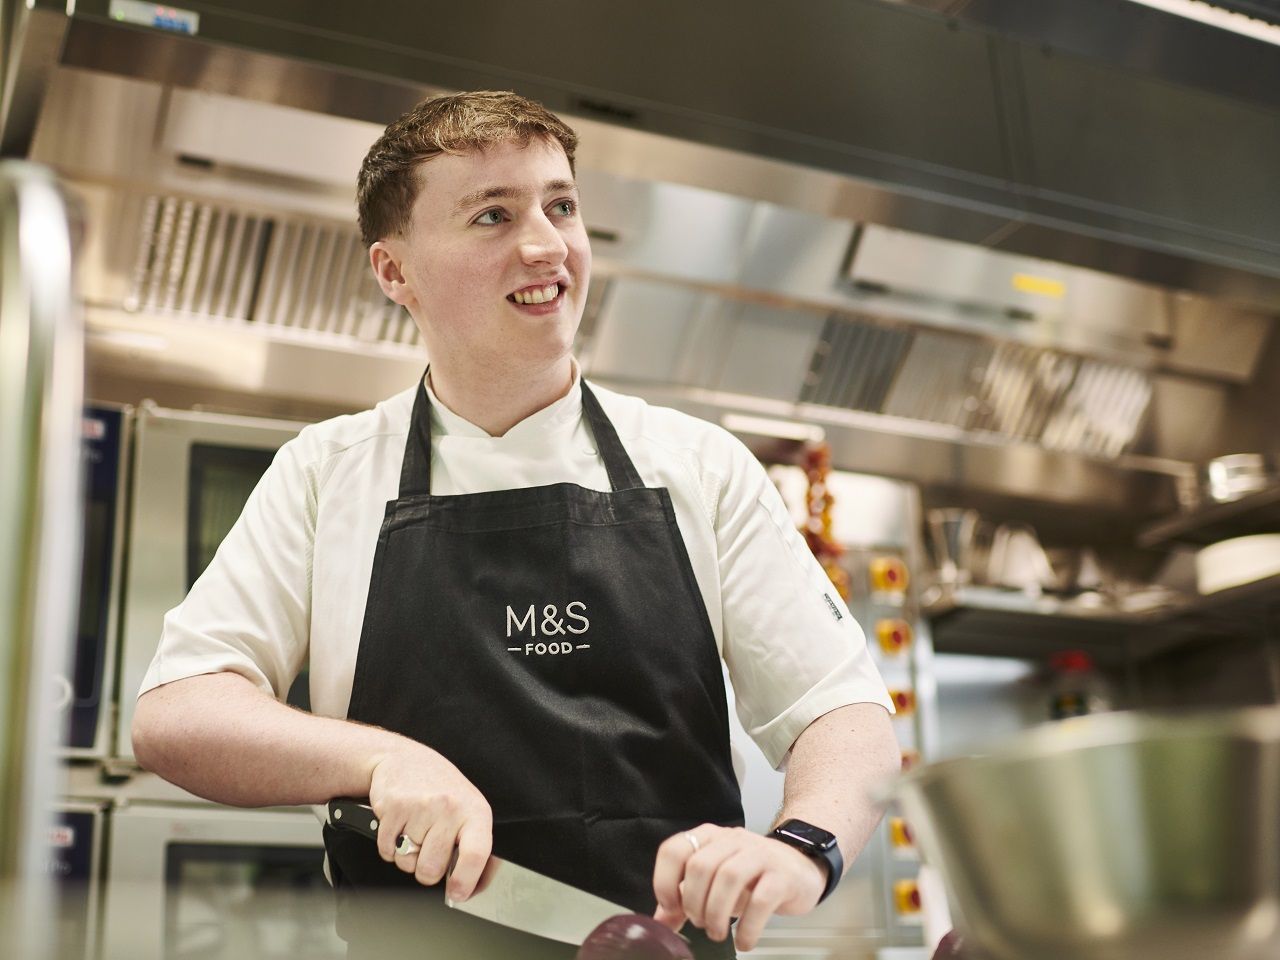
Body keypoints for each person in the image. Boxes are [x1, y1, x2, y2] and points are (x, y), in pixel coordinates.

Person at [131, 90, 900, 959]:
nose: (547, 245)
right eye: (492, 215)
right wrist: (380, 761)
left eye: (560, 205)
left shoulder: (700, 466)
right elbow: (179, 714)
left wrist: (804, 846)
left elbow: (840, 710)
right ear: (394, 273)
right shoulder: (328, 473)